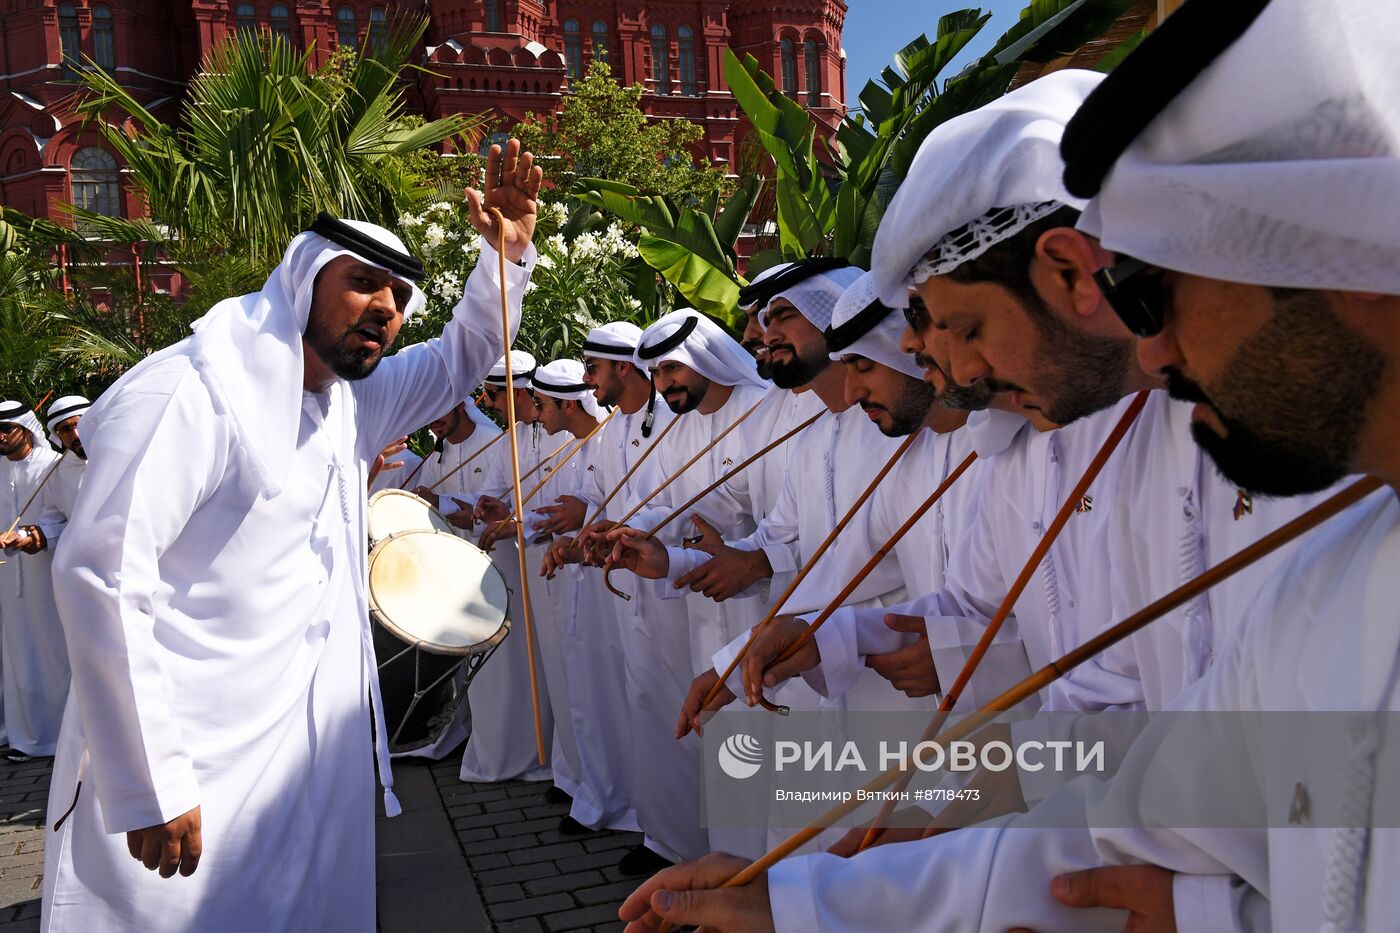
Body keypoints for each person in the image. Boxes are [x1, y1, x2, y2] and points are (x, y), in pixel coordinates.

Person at [620, 0, 1400, 928]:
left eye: (1159, 292)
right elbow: (1148, 792)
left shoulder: (1315, 488)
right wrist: (821, 893)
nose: (1154, 354)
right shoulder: (1337, 572)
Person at [42, 139, 540, 931]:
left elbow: (458, 360)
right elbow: (104, 572)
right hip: (197, 764)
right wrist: (150, 780)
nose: (386, 305)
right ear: (304, 281)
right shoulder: (193, 388)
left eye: (400, 293)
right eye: (364, 282)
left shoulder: (348, 401)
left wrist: (505, 260)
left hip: (308, 764)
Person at [458, 350, 557, 786]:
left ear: (516, 391)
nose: (489, 403)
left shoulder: (566, 429)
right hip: (522, 565)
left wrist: (517, 515)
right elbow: (495, 497)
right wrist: (491, 507)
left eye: (494, 394)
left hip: (565, 567)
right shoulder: (509, 439)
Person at [0, 401, 68, 762]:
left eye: (6, 428)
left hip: (49, 573)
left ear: (25, 428)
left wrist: (33, 536)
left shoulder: (52, 467)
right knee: (17, 653)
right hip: (8, 580)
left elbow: (66, 518)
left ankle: (63, 737)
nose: (0, 436)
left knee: (55, 652)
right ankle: (26, 737)